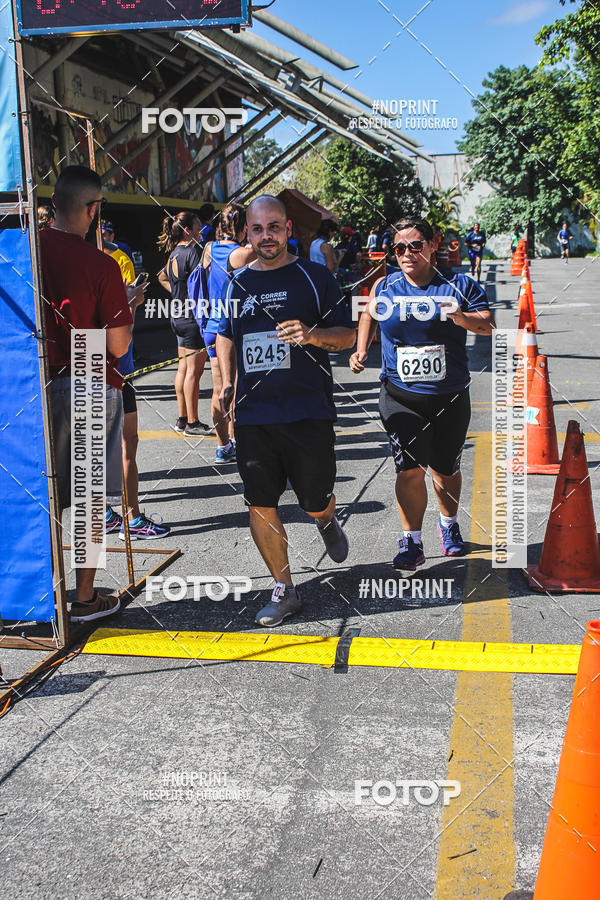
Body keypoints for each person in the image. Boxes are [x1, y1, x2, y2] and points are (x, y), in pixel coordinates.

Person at [216, 195, 356, 627]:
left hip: (307, 411)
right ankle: (285, 589)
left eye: (273, 227)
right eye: (257, 229)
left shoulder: (315, 277)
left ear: (288, 228)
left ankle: (326, 517)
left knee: (314, 498)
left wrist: (312, 334)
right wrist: (224, 383)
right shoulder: (235, 283)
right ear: (247, 233)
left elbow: (348, 336)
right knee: (260, 502)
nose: (266, 236)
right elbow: (225, 334)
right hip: (255, 415)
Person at [349, 216, 494, 571]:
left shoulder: (459, 284)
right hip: (400, 395)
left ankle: (449, 526)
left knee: (445, 469)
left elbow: (489, 325)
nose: (407, 253)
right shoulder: (386, 286)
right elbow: (368, 312)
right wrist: (361, 348)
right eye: (399, 248)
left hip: (450, 395)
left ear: (432, 245)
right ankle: (411, 542)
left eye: (415, 245)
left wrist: (461, 318)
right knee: (409, 470)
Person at [40, 165, 143, 622]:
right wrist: (126, 308)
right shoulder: (100, 264)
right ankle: (83, 597)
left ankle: (38, 593)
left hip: (30, 384)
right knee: (86, 498)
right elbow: (118, 346)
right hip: (86, 382)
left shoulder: (22, 251)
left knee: (35, 493)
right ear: (92, 209)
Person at [101, 240, 171, 541]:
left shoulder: (92, 262)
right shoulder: (101, 265)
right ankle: (131, 518)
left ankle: (106, 515)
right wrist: (130, 302)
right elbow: (115, 337)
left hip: (102, 368)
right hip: (112, 370)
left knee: (101, 448)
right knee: (125, 444)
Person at [190, 203, 255, 464]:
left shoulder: (208, 249)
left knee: (219, 389)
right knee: (237, 389)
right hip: (232, 328)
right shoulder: (241, 254)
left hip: (210, 326)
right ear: (243, 227)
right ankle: (239, 441)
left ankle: (222, 445)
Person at [157, 212, 209, 436]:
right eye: (198, 228)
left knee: (183, 368)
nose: (201, 232)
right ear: (188, 230)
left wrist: (178, 296)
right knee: (194, 373)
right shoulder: (194, 252)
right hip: (191, 318)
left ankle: (182, 418)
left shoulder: (174, 253)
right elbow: (202, 283)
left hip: (177, 316)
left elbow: (161, 277)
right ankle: (193, 423)